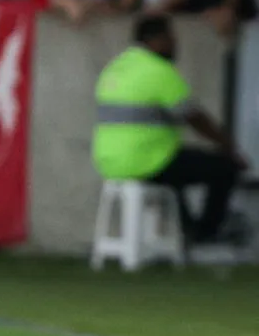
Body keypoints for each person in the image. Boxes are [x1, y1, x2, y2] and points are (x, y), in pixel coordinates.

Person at [93, 15, 247, 244]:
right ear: (155, 40)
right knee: (225, 168)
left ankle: (188, 231)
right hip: (147, 161)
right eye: (170, 38)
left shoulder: (115, 68)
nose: (175, 43)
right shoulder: (158, 70)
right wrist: (227, 144)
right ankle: (206, 234)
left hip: (108, 162)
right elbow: (194, 117)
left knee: (176, 172)